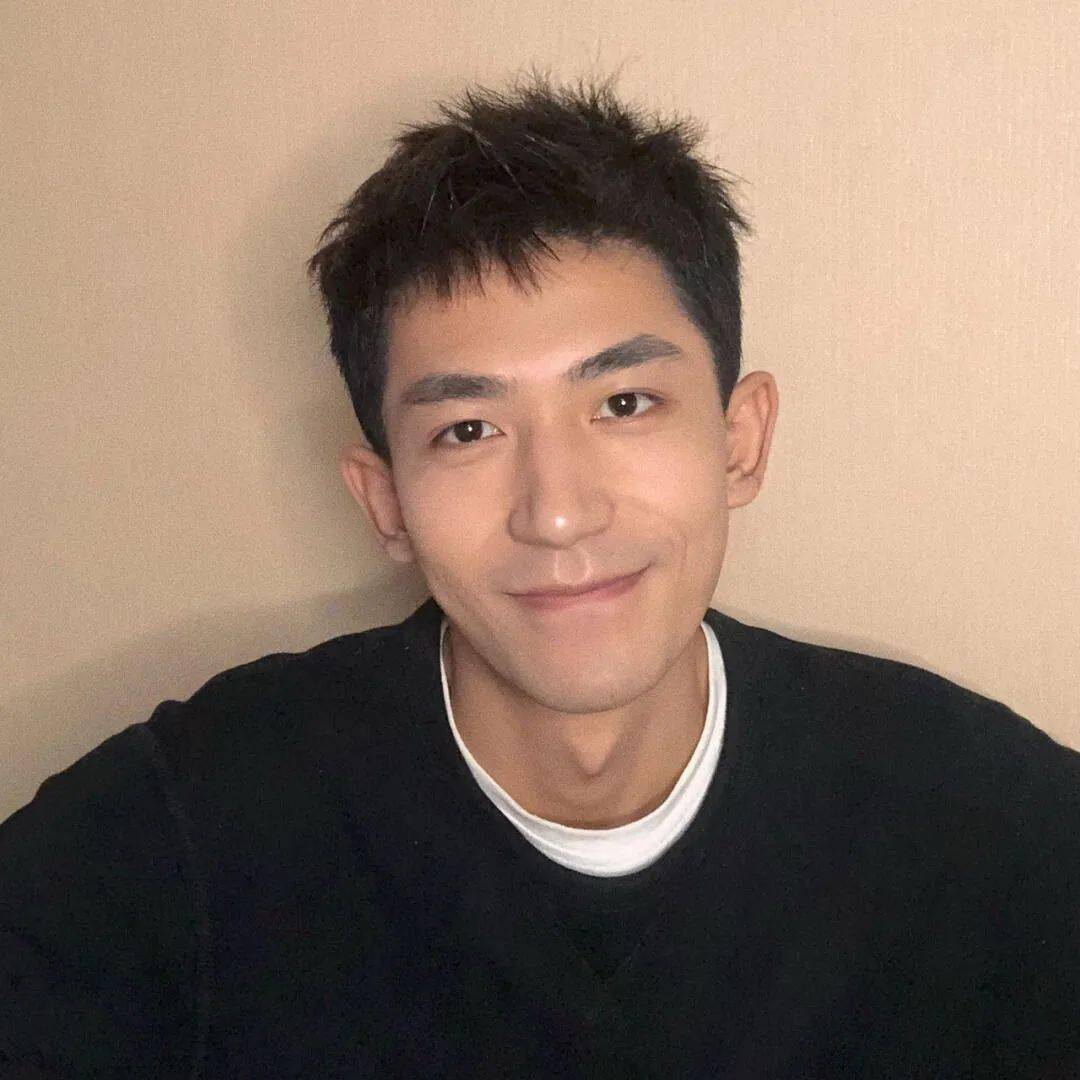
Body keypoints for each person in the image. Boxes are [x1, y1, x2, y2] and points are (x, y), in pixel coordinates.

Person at [1, 71, 1077, 1080]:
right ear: (385, 502)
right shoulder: (178, 843)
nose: (557, 511)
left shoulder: (998, 834)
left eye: (624, 403)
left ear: (740, 441)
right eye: (468, 430)